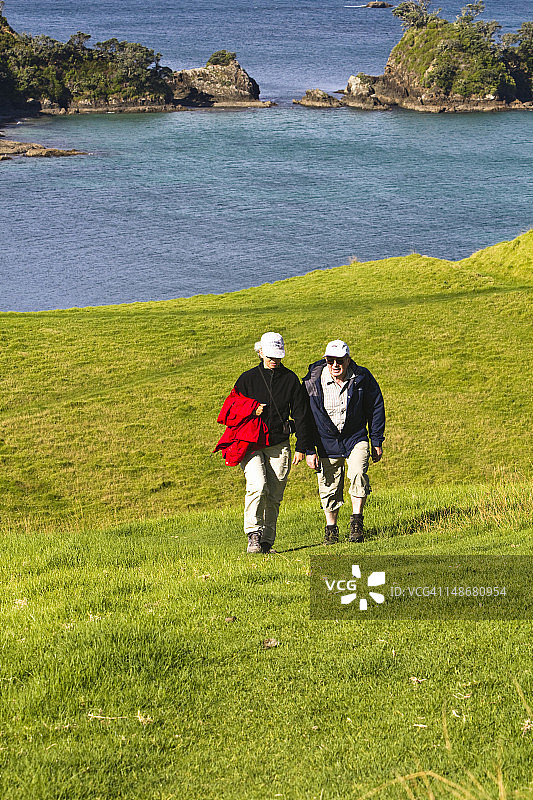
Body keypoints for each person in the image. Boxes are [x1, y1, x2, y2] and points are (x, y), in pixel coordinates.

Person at [222, 332, 311, 554]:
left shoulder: (291, 380)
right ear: (260, 352)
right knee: (258, 486)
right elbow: (230, 409)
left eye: (277, 356)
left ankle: (266, 542)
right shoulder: (247, 379)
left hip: (279, 444)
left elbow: (301, 415)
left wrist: (301, 446)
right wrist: (252, 409)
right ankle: (253, 534)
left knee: (274, 495)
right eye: (270, 355)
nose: (274, 360)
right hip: (250, 444)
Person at [302, 340, 385, 544]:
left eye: (340, 360)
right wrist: (307, 448)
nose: (335, 365)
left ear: (348, 360)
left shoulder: (362, 378)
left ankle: (357, 522)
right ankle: (331, 529)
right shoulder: (312, 381)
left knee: (358, 473)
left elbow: (376, 406)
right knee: (329, 486)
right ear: (326, 360)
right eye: (330, 361)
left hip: (355, 437)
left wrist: (376, 440)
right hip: (325, 440)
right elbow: (303, 416)